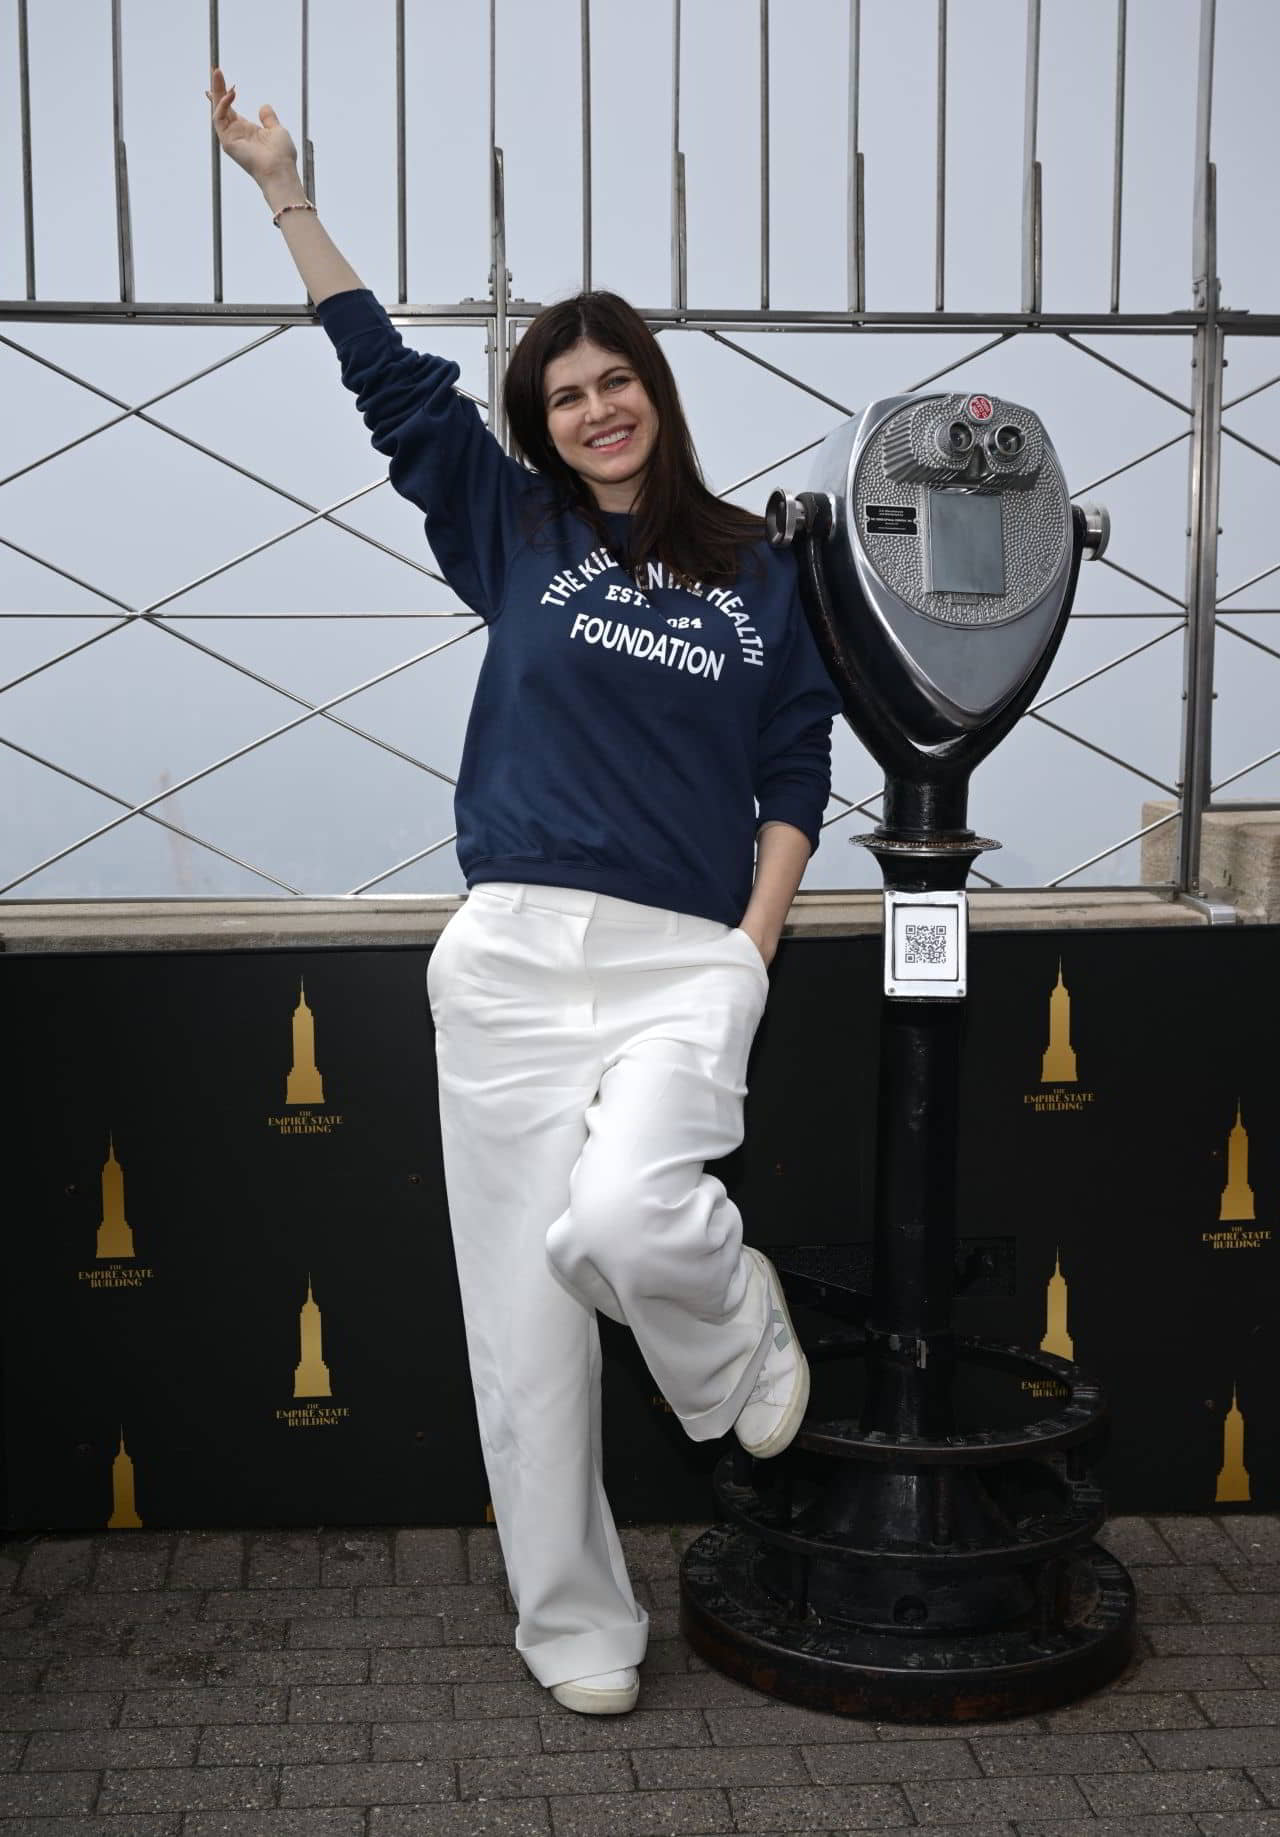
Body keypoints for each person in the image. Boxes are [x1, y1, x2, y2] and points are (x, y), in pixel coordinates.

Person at [206, 67, 842, 1717]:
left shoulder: (758, 570)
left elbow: (794, 778)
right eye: (563, 396)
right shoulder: (509, 528)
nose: (594, 410)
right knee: (524, 1330)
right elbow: (388, 386)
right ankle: (577, 1625)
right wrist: (289, 193)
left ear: (656, 394)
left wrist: (750, 960)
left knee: (631, 1220)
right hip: (507, 959)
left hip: (685, 959)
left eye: (615, 382)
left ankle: (734, 1338)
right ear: (540, 424)